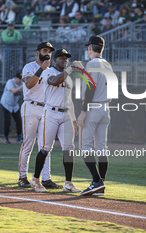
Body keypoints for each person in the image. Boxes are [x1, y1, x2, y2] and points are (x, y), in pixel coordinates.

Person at [30, 49, 82, 193]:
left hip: (65, 114)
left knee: (69, 149)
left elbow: (69, 101)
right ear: (55, 60)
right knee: (46, 148)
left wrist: (73, 120)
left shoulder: (68, 77)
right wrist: (71, 69)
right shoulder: (48, 72)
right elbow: (54, 81)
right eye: (61, 58)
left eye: (66, 58)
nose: (64, 60)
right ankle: (35, 179)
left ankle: (68, 183)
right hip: (51, 113)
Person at [18, 41, 62, 190]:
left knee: (45, 146)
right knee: (28, 143)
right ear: (38, 52)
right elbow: (29, 85)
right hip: (31, 106)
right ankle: (22, 177)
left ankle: (46, 179)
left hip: (46, 109)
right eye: (44, 50)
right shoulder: (30, 67)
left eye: (49, 51)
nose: (47, 53)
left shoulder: (53, 70)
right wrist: (41, 70)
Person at [77, 35, 110, 196]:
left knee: (85, 148)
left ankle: (97, 182)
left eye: (88, 47)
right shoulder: (107, 64)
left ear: (90, 47)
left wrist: (83, 112)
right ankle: (101, 185)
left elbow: (90, 88)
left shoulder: (92, 63)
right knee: (102, 148)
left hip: (93, 109)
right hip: (105, 108)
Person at [0, 73, 23, 144]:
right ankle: (6, 138)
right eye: (19, 78)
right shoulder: (10, 82)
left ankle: (19, 137)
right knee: (7, 121)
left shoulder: (22, 83)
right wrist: (23, 86)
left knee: (19, 121)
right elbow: (14, 91)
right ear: (15, 78)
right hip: (6, 104)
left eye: (21, 79)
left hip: (15, 105)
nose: (20, 80)